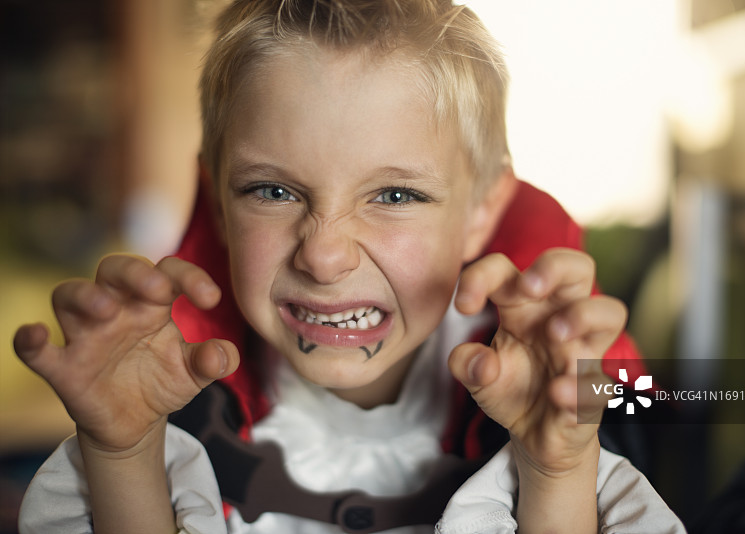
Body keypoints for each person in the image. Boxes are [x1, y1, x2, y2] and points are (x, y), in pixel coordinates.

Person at [13, 1, 685, 532]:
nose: (325, 255)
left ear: (482, 211)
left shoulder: (559, 399)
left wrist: (556, 468)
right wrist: (124, 453)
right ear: (217, 203)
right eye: (272, 191)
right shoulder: (181, 408)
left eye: (396, 195)